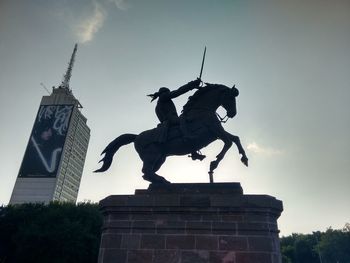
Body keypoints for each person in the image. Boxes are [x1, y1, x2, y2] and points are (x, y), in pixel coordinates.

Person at [147, 78, 205, 161]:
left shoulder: (160, 102)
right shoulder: (164, 97)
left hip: (168, 121)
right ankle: (187, 136)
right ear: (165, 92)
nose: (169, 93)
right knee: (183, 119)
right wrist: (191, 84)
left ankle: (193, 152)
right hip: (170, 120)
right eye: (168, 92)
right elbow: (178, 92)